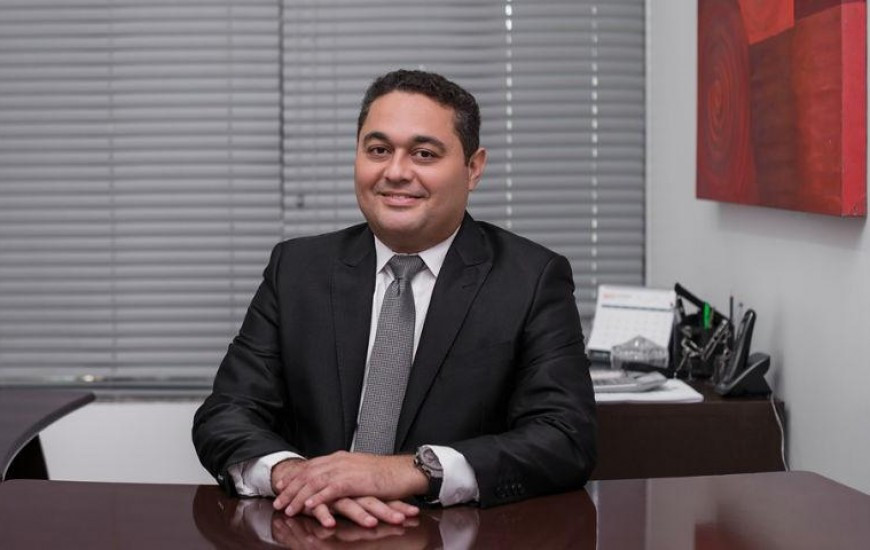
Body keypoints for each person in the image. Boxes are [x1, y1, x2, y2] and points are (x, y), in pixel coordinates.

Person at [193, 69, 596, 530]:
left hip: (449, 534)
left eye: (424, 154)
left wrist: (409, 471)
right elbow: (226, 414)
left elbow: (565, 438)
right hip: (312, 527)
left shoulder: (531, 279)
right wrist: (296, 476)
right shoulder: (297, 269)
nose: (397, 172)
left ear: (473, 168)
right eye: (378, 150)